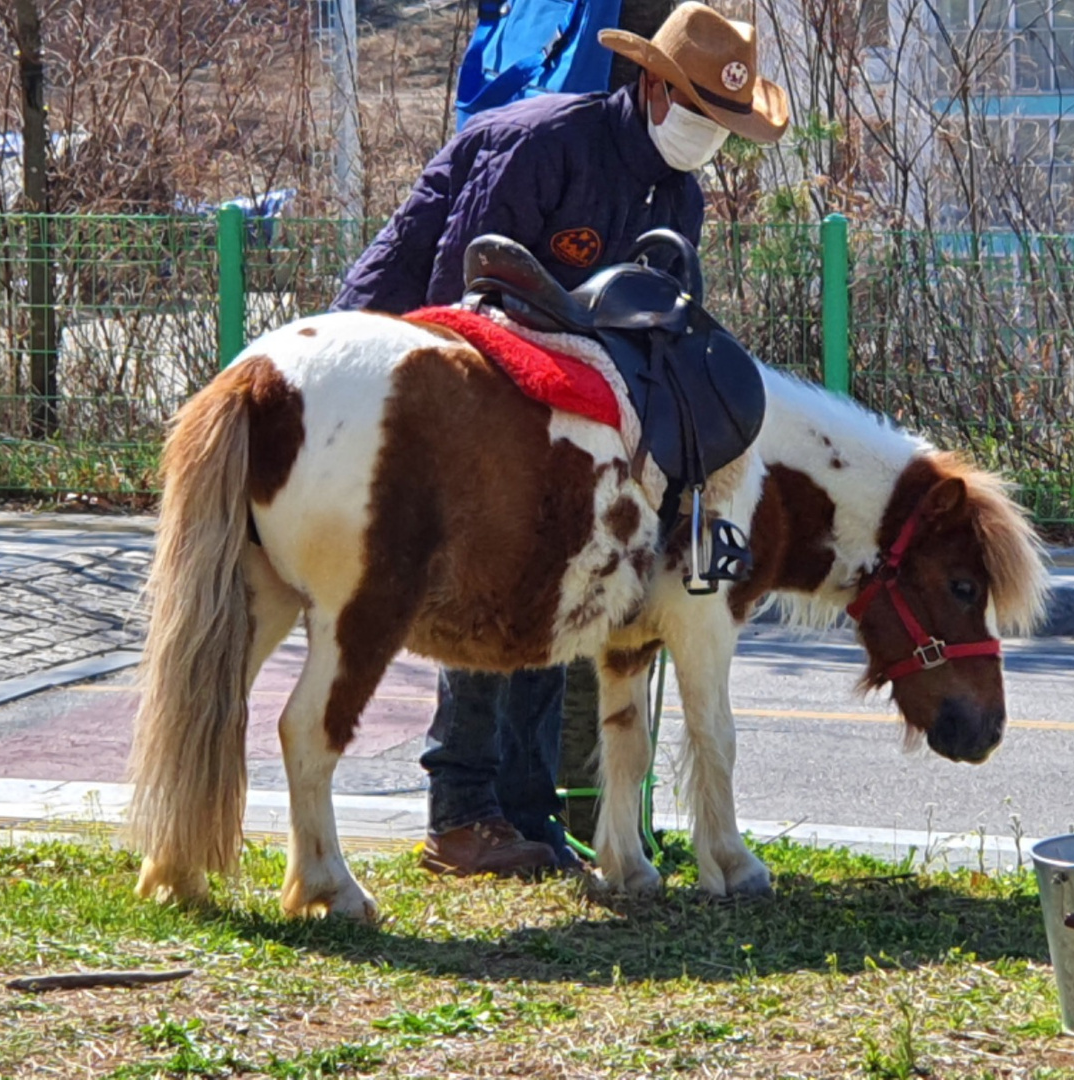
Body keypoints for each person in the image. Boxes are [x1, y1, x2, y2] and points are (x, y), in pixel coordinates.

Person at [329, 1, 789, 876]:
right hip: (408, 346)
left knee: (557, 575)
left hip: (546, 385)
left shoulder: (678, 193)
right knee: (493, 565)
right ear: (653, 86)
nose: (710, 137)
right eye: (701, 112)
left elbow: (651, 329)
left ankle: (528, 815)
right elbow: (451, 297)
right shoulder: (546, 145)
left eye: (726, 124)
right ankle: (461, 809)